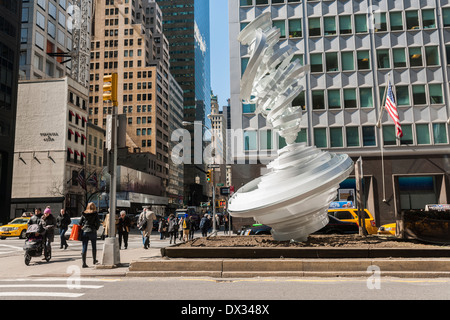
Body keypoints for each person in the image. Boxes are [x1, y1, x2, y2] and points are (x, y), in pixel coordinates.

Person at [79, 202, 100, 268]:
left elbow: (80, 223)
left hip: (85, 231)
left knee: (84, 247)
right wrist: (96, 228)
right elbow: (98, 223)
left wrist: (84, 226)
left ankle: (84, 263)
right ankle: (94, 260)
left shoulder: (84, 213)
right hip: (92, 231)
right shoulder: (95, 213)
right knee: (94, 246)